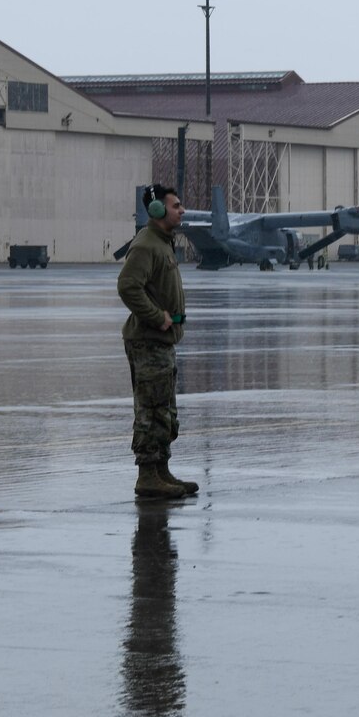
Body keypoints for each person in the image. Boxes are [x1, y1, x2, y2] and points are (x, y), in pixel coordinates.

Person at [116, 184, 197, 499]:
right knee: (151, 408)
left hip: (161, 343)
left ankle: (161, 471)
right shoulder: (147, 245)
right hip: (148, 341)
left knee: (163, 408)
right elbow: (127, 286)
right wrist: (156, 316)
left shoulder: (163, 244)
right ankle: (148, 476)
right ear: (158, 211)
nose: (182, 210)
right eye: (176, 205)